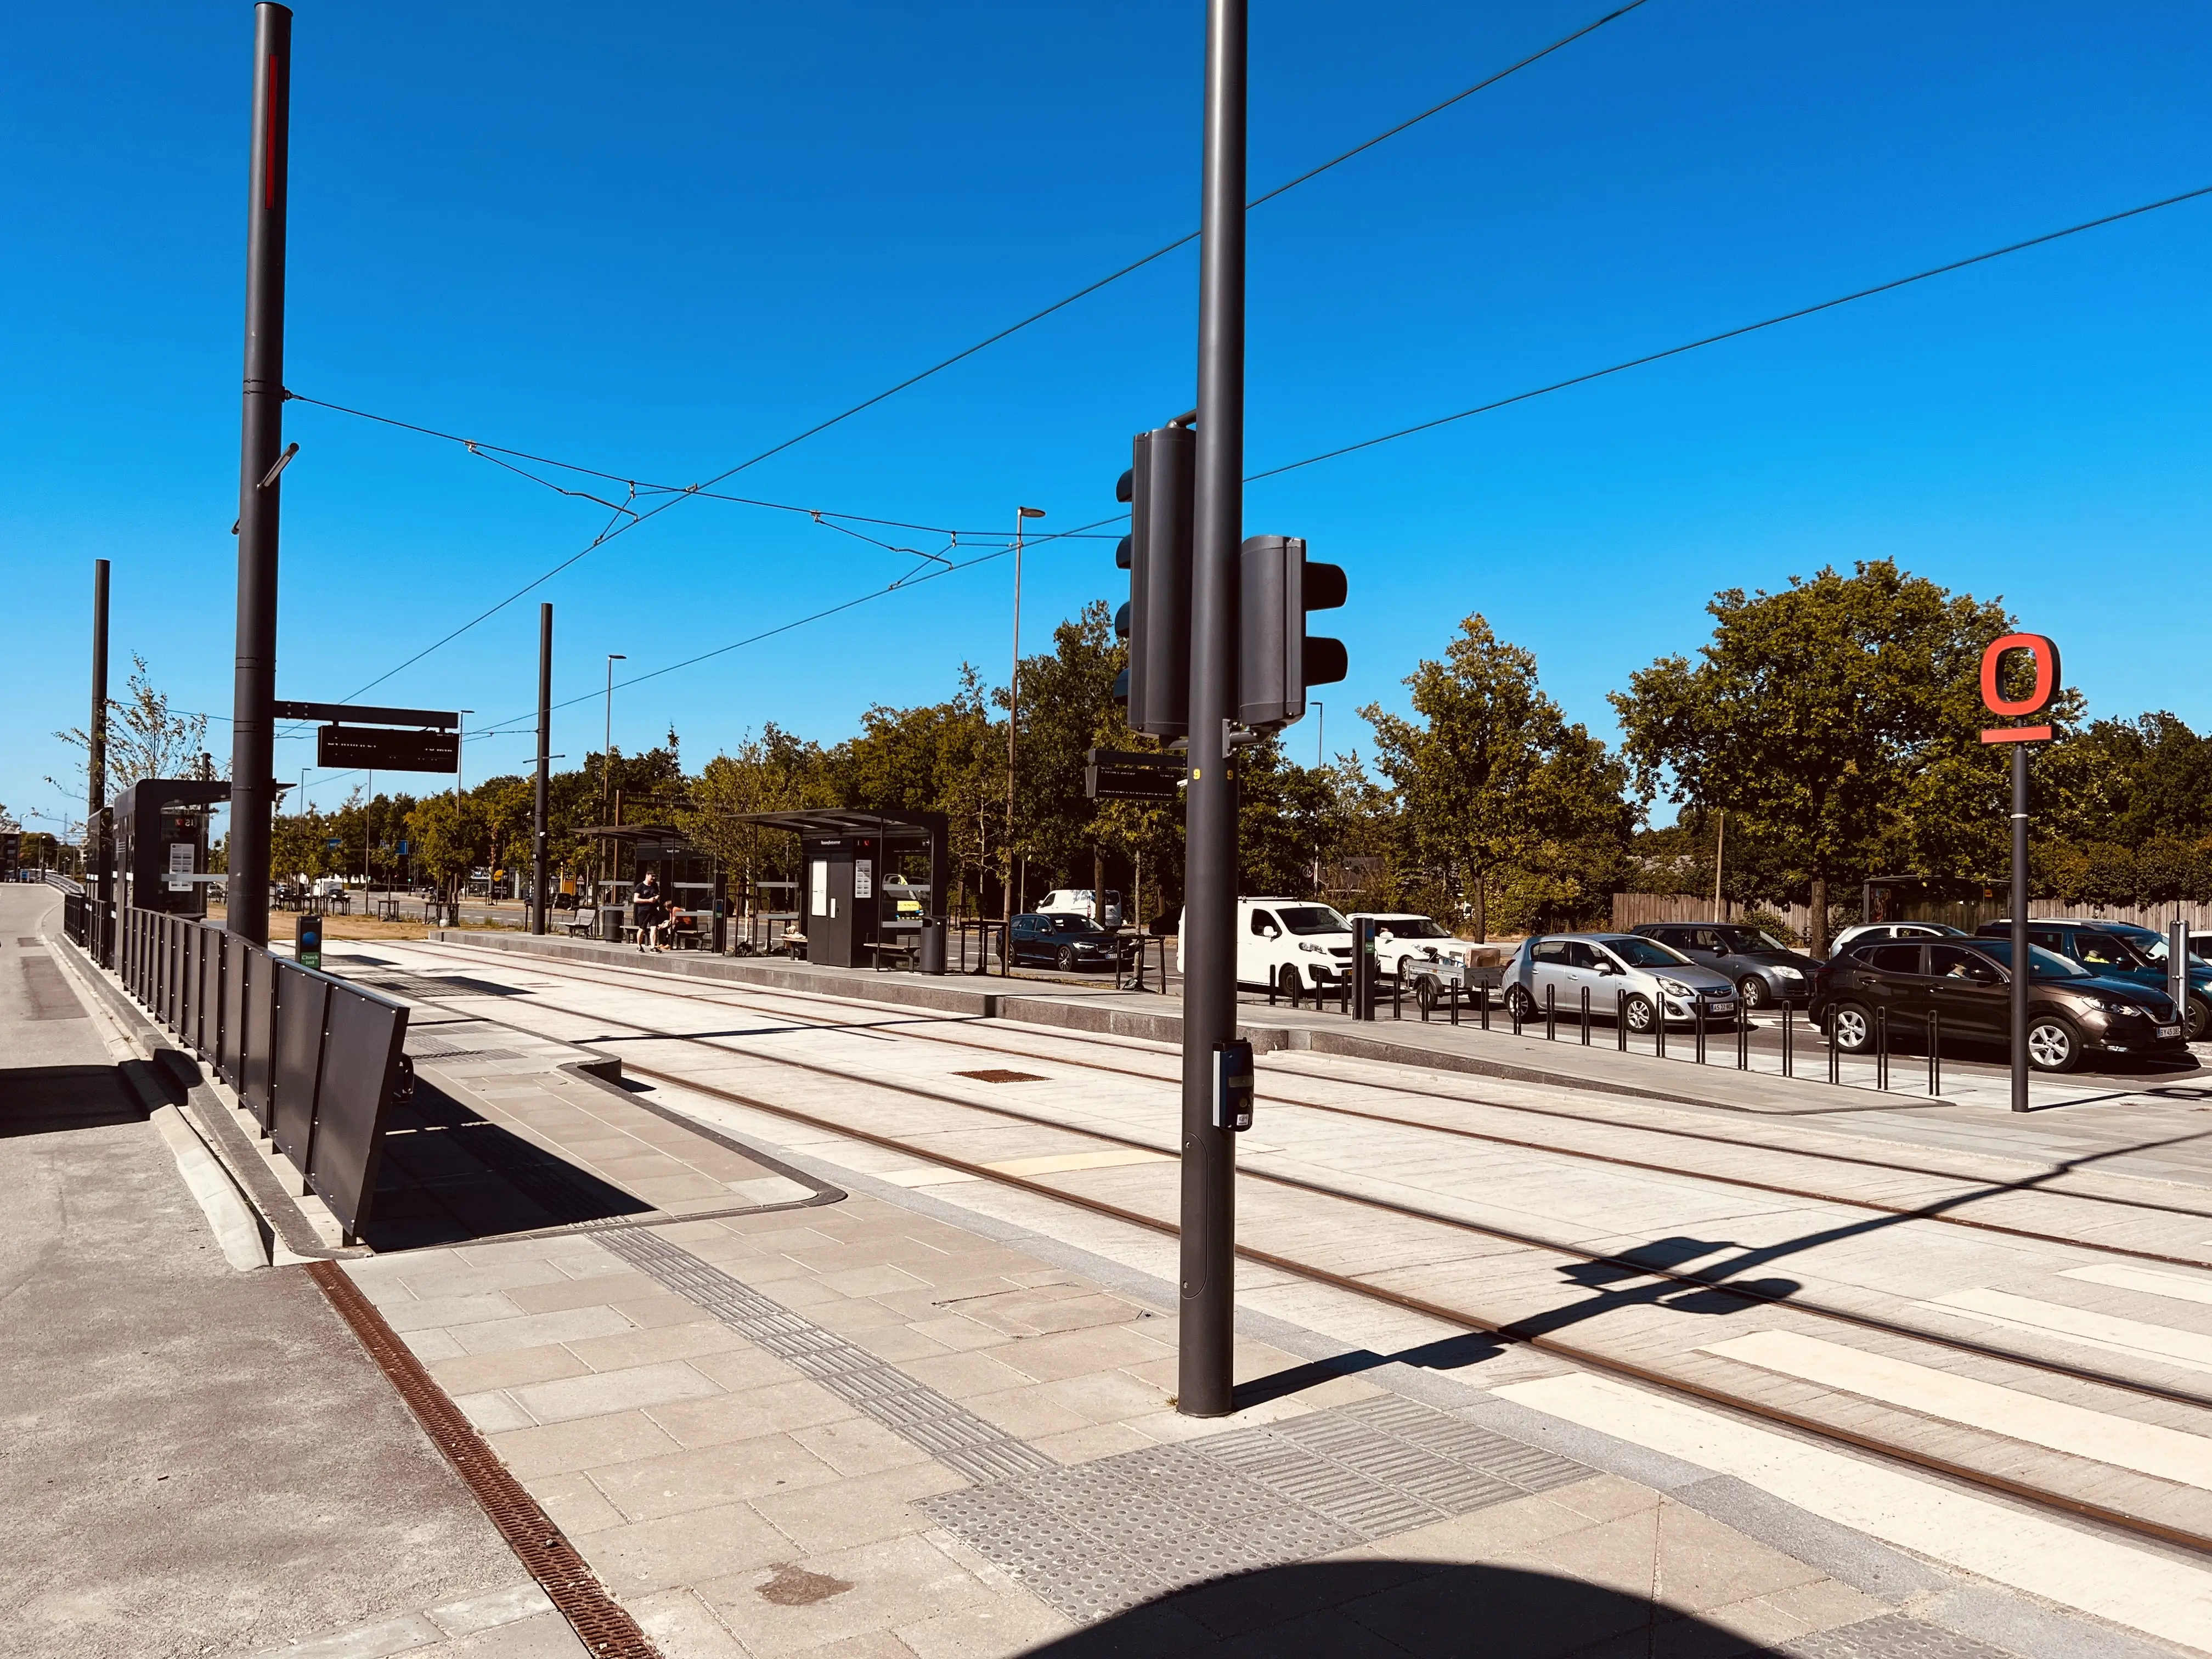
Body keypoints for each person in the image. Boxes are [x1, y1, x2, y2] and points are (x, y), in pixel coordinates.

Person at [634, 869, 662, 952]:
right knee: (642, 929)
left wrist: (656, 898)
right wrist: (648, 901)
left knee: (654, 928)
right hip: (643, 911)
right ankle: (639, 946)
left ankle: (653, 947)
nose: (653, 878)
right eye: (652, 876)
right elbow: (636, 900)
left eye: (655, 876)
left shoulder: (655, 886)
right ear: (647, 875)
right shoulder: (640, 886)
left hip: (653, 910)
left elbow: (658, 894)